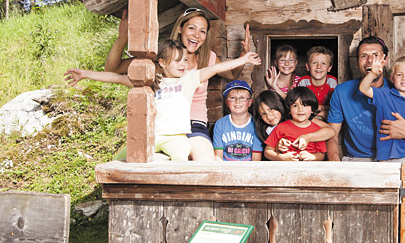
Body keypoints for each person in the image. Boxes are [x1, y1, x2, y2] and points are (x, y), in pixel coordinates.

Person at [65, 39, 261, 161]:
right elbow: (116, 77)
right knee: (121, 159)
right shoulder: (151, 82)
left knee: (180, 162)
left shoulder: (189, 80)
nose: (183, 64)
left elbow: (216, 69)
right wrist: (85, 74)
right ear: (162, 62)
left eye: (184, 60)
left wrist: (243, 60)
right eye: (177, 61)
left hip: (176, 137)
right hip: (151, 136)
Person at [104, 8, 252, 161]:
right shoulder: (163, 59)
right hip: (163, 127)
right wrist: (122, 38)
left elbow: (232, 74)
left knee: (205, 161)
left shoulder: (208, 58)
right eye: (191, 28)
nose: (197, 34)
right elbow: (113, 69)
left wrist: (243, 54)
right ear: (180, 28)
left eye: (202, 31)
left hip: (194, 124)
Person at [326, 36, 405, 162]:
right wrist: (335, 162)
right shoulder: (342, 92)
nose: (370, 61)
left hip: (396, 158)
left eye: (375, 55)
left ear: (385, 60)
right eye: (363, 56)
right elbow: (331, 134)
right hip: (358, 160)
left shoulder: (399, 91)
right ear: (357, 63)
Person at [264, 87, 329, 161]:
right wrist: (281, 157)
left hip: (310, 170)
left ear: (312, 110)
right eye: (295, 105)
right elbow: (267, 152)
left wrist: (312, 157)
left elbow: (321, 155)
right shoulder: (281, 127)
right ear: (289, 109)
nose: (300, 109)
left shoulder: (317, 130)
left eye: (305, 105)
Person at [213, 80, 263, 161]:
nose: (237, 101)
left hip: (248, 169)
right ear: (227, 102)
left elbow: (256, 159)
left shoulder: (256, 124)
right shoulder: (220, 124)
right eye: (233, 98)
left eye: (242, 98)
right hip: (226, 168)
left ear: (250, 102)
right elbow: (218, 156)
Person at [297, 46, 338, 120]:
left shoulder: (332, 81)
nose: (319, 66)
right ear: (307, 66)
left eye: (324, 63)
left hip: (327, 118)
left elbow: (335, 107)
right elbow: (301, 106)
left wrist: (320, 109)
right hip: (307, 119)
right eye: (314, 63)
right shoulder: (303, 82)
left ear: (329, 68)